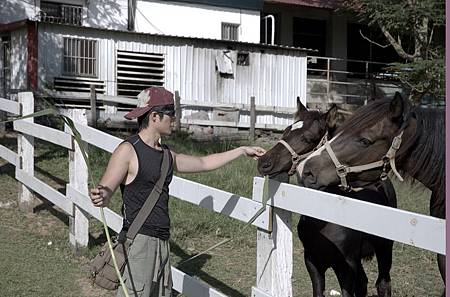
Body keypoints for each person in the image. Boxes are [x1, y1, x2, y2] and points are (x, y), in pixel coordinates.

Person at [89, 86, 266, 297]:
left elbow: (203, 162)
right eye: (171, 114)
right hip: (139, 244)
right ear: (155, 116)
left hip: (163, 242)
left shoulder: (166, 156)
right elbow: (106, 190)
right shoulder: (128, 150)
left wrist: (240, 150)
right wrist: (101, 195)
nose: (174, 119)